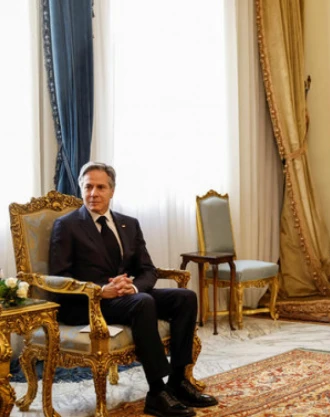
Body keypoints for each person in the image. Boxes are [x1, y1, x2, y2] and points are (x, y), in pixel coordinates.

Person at [49, 162, 218, 417]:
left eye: (100, 187)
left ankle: (179, 381)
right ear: (81, 189)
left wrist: (135, 287)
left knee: (185, 298)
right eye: (88, 187)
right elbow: (59, 278)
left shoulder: (129, 223)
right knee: (143, 303)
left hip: (127, 297)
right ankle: (157, 392)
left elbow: (148, 269)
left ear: (112, 191)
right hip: (88, 303)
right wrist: (100, 291)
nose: (93, 193)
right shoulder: (67, 225)